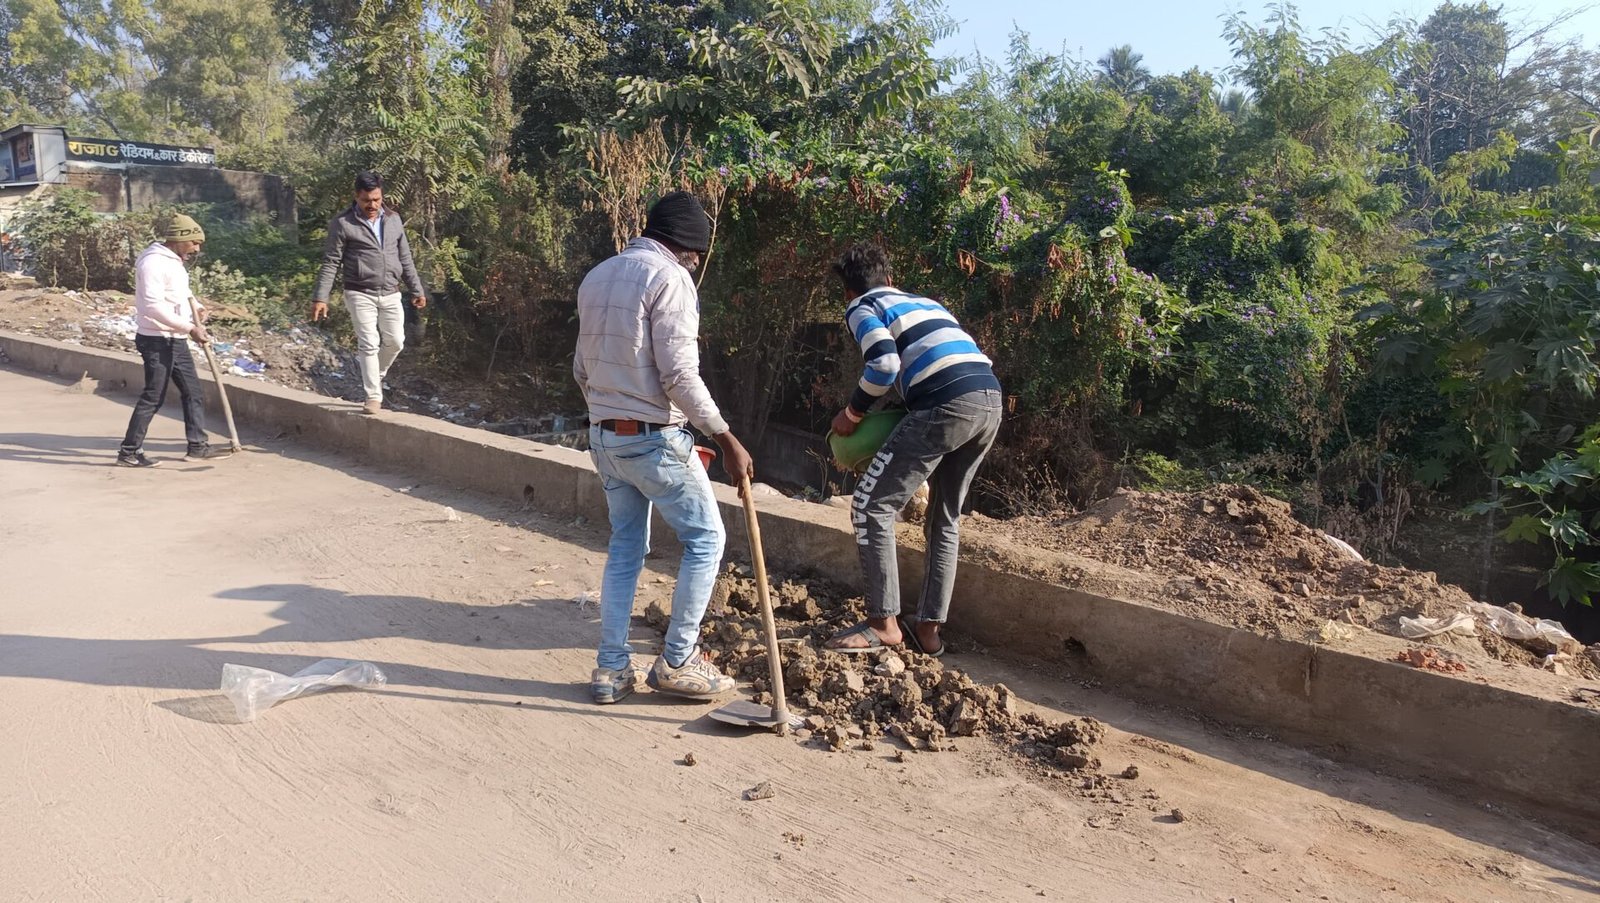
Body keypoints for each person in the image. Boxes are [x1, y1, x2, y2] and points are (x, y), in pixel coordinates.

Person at [574, 190, 755, 705]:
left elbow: (581, 369)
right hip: (652, 439)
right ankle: (678, 659)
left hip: (604, 438)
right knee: (706, 540)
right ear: (681, 245)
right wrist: (725, 436)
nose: (696, 262)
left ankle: (611, 670)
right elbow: (679, 375)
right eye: (695, 253)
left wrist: (613, 416)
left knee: (626, 548)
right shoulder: (669, 279)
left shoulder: (598, 276)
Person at [822, 243, 1003, 657]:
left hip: (947, 403)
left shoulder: (861, 307)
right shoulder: (925, 303)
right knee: (945, 517)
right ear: (889, 278)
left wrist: (853, 413)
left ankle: (884, 624)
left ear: (848, 291)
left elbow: (884, 365)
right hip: (989, 399)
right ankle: (928, 630)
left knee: (870, 505)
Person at [117, 214, 231, 467]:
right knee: (153, 396)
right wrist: (190, 328)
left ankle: (197, 446)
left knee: (194, 392)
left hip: (175, 338)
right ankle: (129, 452)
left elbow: (182, 294)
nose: (196, 248)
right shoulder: (153, 264)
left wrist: (197, 309)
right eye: (193, 243)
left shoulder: (174, 263)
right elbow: (152, 307)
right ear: (179, 240)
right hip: (156, 340)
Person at [311, 171, 428, 415]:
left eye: (376, 199)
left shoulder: (393, 219)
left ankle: (375, 372)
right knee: (369, 343)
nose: (372, 205)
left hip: (391, 291)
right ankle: (373, 395)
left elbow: (405, 258)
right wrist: (321, 297)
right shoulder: (343, 223)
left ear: (381, 195)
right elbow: (331, 261)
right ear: (356, 197)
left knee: (396, 342)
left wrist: (416, 289)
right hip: (359, 292)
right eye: (367, 200)